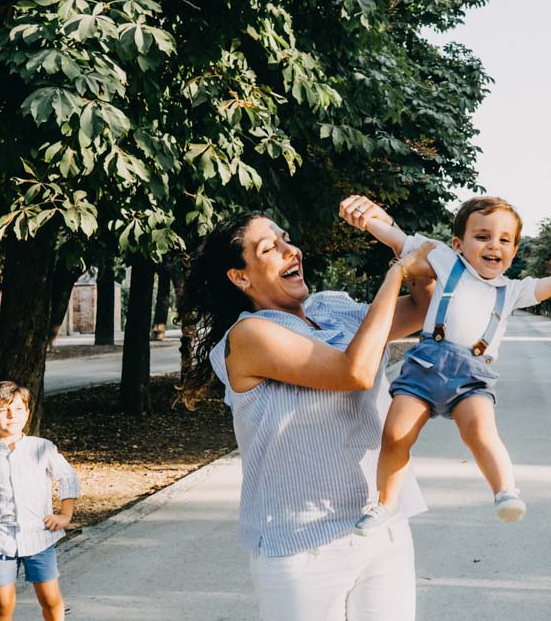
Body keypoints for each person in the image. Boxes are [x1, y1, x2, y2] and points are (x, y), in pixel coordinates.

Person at [181, 211, 436, 621]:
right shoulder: (249, 336)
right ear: (240, 277)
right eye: (270, 248)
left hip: (381, 524)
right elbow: (353, 372)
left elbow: (427, 308)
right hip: (302, 542)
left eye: (286, 238)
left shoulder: (332, 307)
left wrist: (397, 240)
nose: (291, 250)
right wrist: (396, 273)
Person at [338, 195, 551, 535]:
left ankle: (505, 491)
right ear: (459, 244)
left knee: (481, 432)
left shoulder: (514, 290)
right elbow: (398, 239)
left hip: (472, 377)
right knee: (395, 435)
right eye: (482, 236)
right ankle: (386, 503)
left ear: (514, 251)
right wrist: (365, 219)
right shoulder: (447, 261)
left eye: (504, 240)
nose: (494, 245)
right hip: (425, 367)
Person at [0, 381, 80, 621]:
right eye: (3, 409)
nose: (12, 415)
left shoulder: (42, 447)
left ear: (27, 413)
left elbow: (67, 477)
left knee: (50, 599)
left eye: (18, 409)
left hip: (40, 537)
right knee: (3, 605)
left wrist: (65, 514)